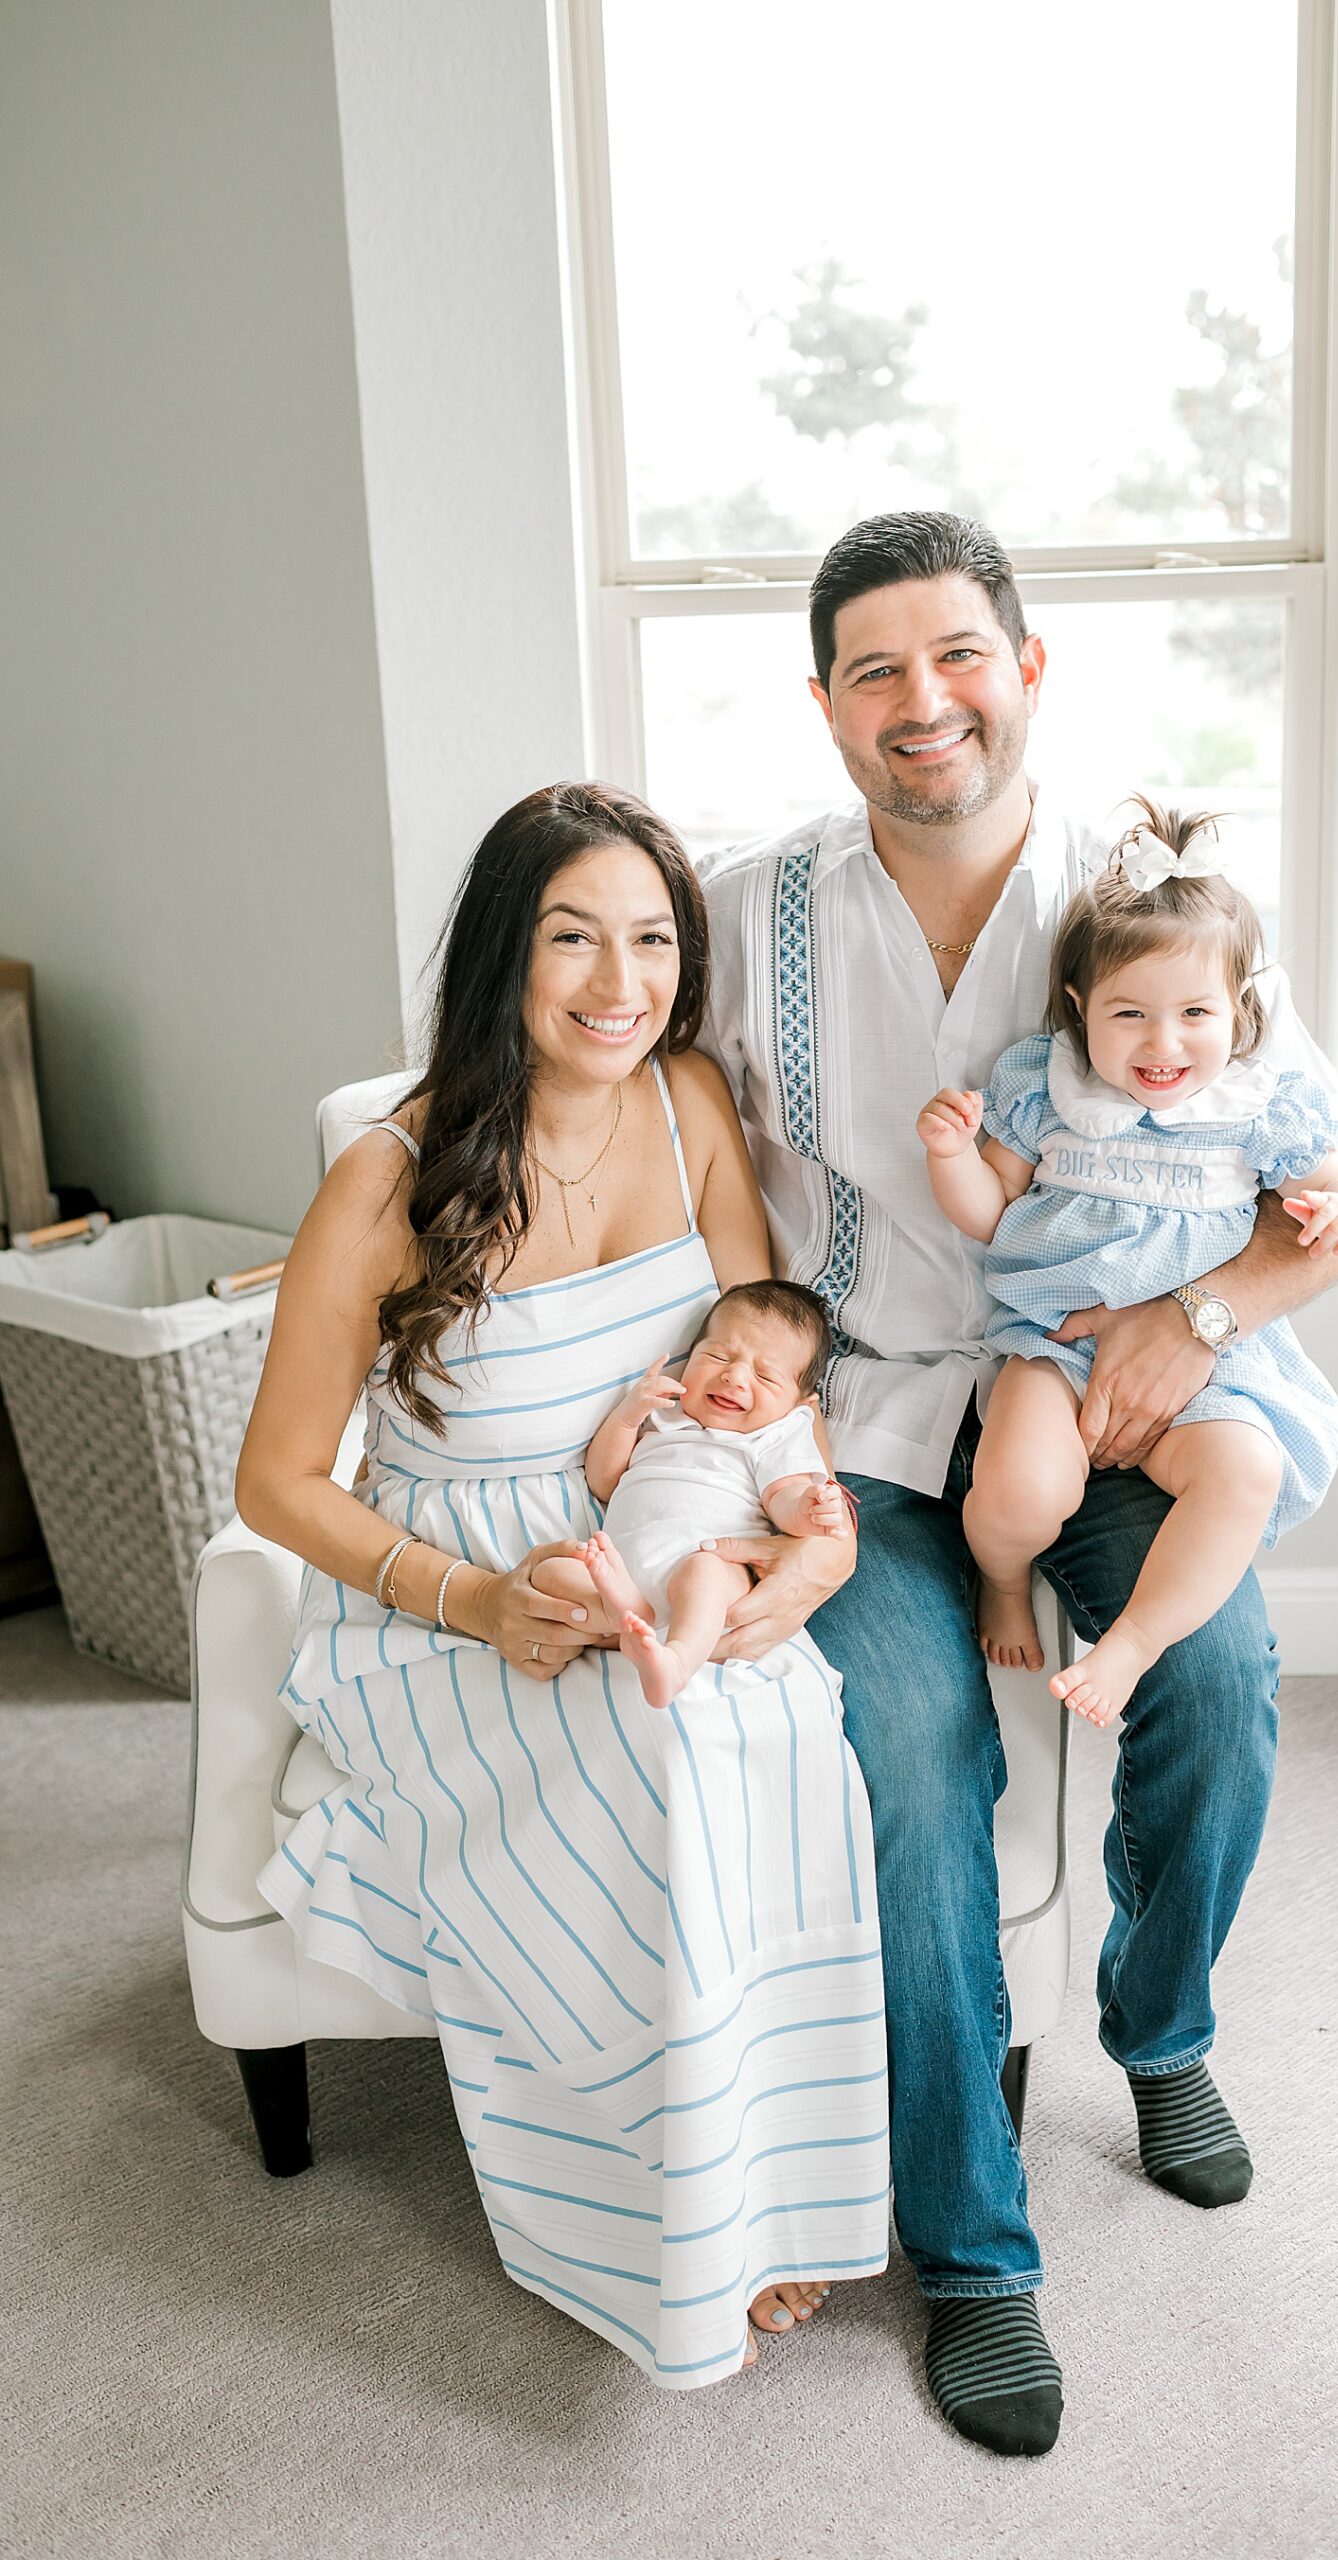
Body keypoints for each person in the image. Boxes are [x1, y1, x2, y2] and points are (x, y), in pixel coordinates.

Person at [693, 513, 1338, 2457]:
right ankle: (975, 2247)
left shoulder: (1147, 893)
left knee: (1222, 1679)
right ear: (825, 702)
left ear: (1029, 663)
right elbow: (639, 1112)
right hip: (858, 1426)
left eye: (959, 654)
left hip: (1106, 1396)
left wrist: (1216, 1310)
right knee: (916, 1765)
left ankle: (1161, 2026)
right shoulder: (751, 913)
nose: (927, 701)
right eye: (876, 669)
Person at [235, 781, 886, 2389]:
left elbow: (767, 1363)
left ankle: (765, 2193)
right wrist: (470, 1601)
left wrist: (807, 1536)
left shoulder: (689, 1107)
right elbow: (278, 1482)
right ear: (502, 960)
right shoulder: (388, 1179)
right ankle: (670, 2226)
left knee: (778, 1725)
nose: (620, 981)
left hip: (669, 1516)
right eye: (573, 937)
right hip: (448, 1577)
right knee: (653, 1757)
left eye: (654, 940)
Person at [918, 796, 1338, 1725]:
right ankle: (1002, 1579)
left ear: (1240, 1009)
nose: (1163, 1045)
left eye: (1195, 1014)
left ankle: (1133, 1645)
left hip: (1206, 1367)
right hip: (1052, 1345)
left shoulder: (1259, 1103)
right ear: (1083, 1006)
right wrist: (947, 1156)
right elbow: (988, 1213)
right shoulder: (1046, 1084)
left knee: (1242, 1474)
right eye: (1130, 1013)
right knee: (1018, 1491)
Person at [568, 1280, 852, 1710]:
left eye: (763, 1375)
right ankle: (631, 1613)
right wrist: (628, 1418)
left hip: (709, 1564)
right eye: (717, 1355)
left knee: (705, 1574)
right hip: (622, 1566)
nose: (734, 1376)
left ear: (799, 1405)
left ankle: (676, 1662)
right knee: (558, 1568)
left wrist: (810, 1509)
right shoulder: (664, 1415)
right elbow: (603, 1481)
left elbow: (785, 1500)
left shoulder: (774, 1437)